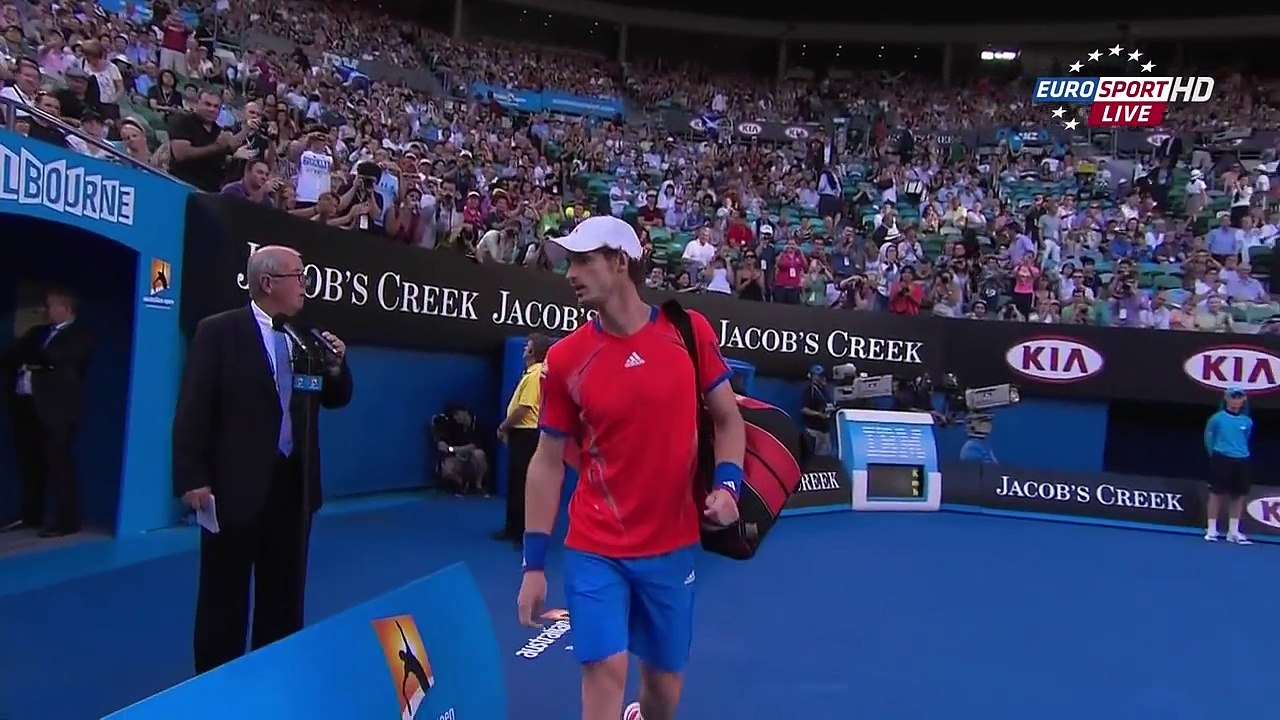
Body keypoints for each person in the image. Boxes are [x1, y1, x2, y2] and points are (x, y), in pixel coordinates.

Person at [516, 216, 746, 720]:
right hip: (595, 546)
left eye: (583, 260)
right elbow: (547, 462)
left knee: (663, 691)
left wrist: (729, 487)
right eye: (569, 261)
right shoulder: (565, 358)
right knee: (605, 669)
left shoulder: (689, 333)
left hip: (673, 544)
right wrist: (534, 564)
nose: (571, 273)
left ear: (621, 262)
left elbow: (729, 422)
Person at [172, 245, 353, 673]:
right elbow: (194, 407)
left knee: (285, 594)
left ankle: (275, 673)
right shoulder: (219, 331)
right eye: (299, 275)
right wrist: (192, 476)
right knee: (223, 596)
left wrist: (338, 366)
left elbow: (338, 398)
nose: (306, 285)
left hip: (294, 489)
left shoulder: (306, 337)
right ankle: (218, 682)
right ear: (268, 283)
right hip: (234, 487)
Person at [0, 288, 93, 537]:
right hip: (26, 407)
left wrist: (40, 359)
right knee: (29, 463)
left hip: (58, 411)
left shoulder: (79, 335)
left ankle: (67, 521)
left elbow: (58, 357)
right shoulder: (37, 333)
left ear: (66, 309)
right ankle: (31, 515)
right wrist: (41, 361)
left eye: (50, 306)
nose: (45, 310)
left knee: (59, 464)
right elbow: (12, 355)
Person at [496, 333, 551, 543]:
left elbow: (524, 408)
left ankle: (518, 531)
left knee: (519, 483)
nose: (523, 349)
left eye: (527, 346)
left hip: (526, 434)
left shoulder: (535, 375)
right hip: (524, 434)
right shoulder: (533, 373)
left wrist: (504, 426)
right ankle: (516, 529)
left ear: (533, 351)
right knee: (518, 483)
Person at [1203, 387, 1253, 544]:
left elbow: (1245, 438)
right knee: (1216, 493)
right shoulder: (1216, 419)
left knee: (1238, 495)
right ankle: (1211, 529)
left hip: (1242, 459)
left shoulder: (1247, 421)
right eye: (1233, 397)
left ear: (1243, 400)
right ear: (1226, 399)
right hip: (1221, 458)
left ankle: (1234, 531)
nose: (1235, 401)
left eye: (1239, 398)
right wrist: (1215, 454)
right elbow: (1209, 437)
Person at [799, 365, 831, 455]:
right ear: (812, 376)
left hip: (825, 429)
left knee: (824, 456)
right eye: (818, 376)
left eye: (822, 376)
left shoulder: (825, 390)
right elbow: (804, 409)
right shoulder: (808, 390)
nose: (821, 378)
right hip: (813, 429)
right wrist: (818, 414)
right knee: (813, 454)